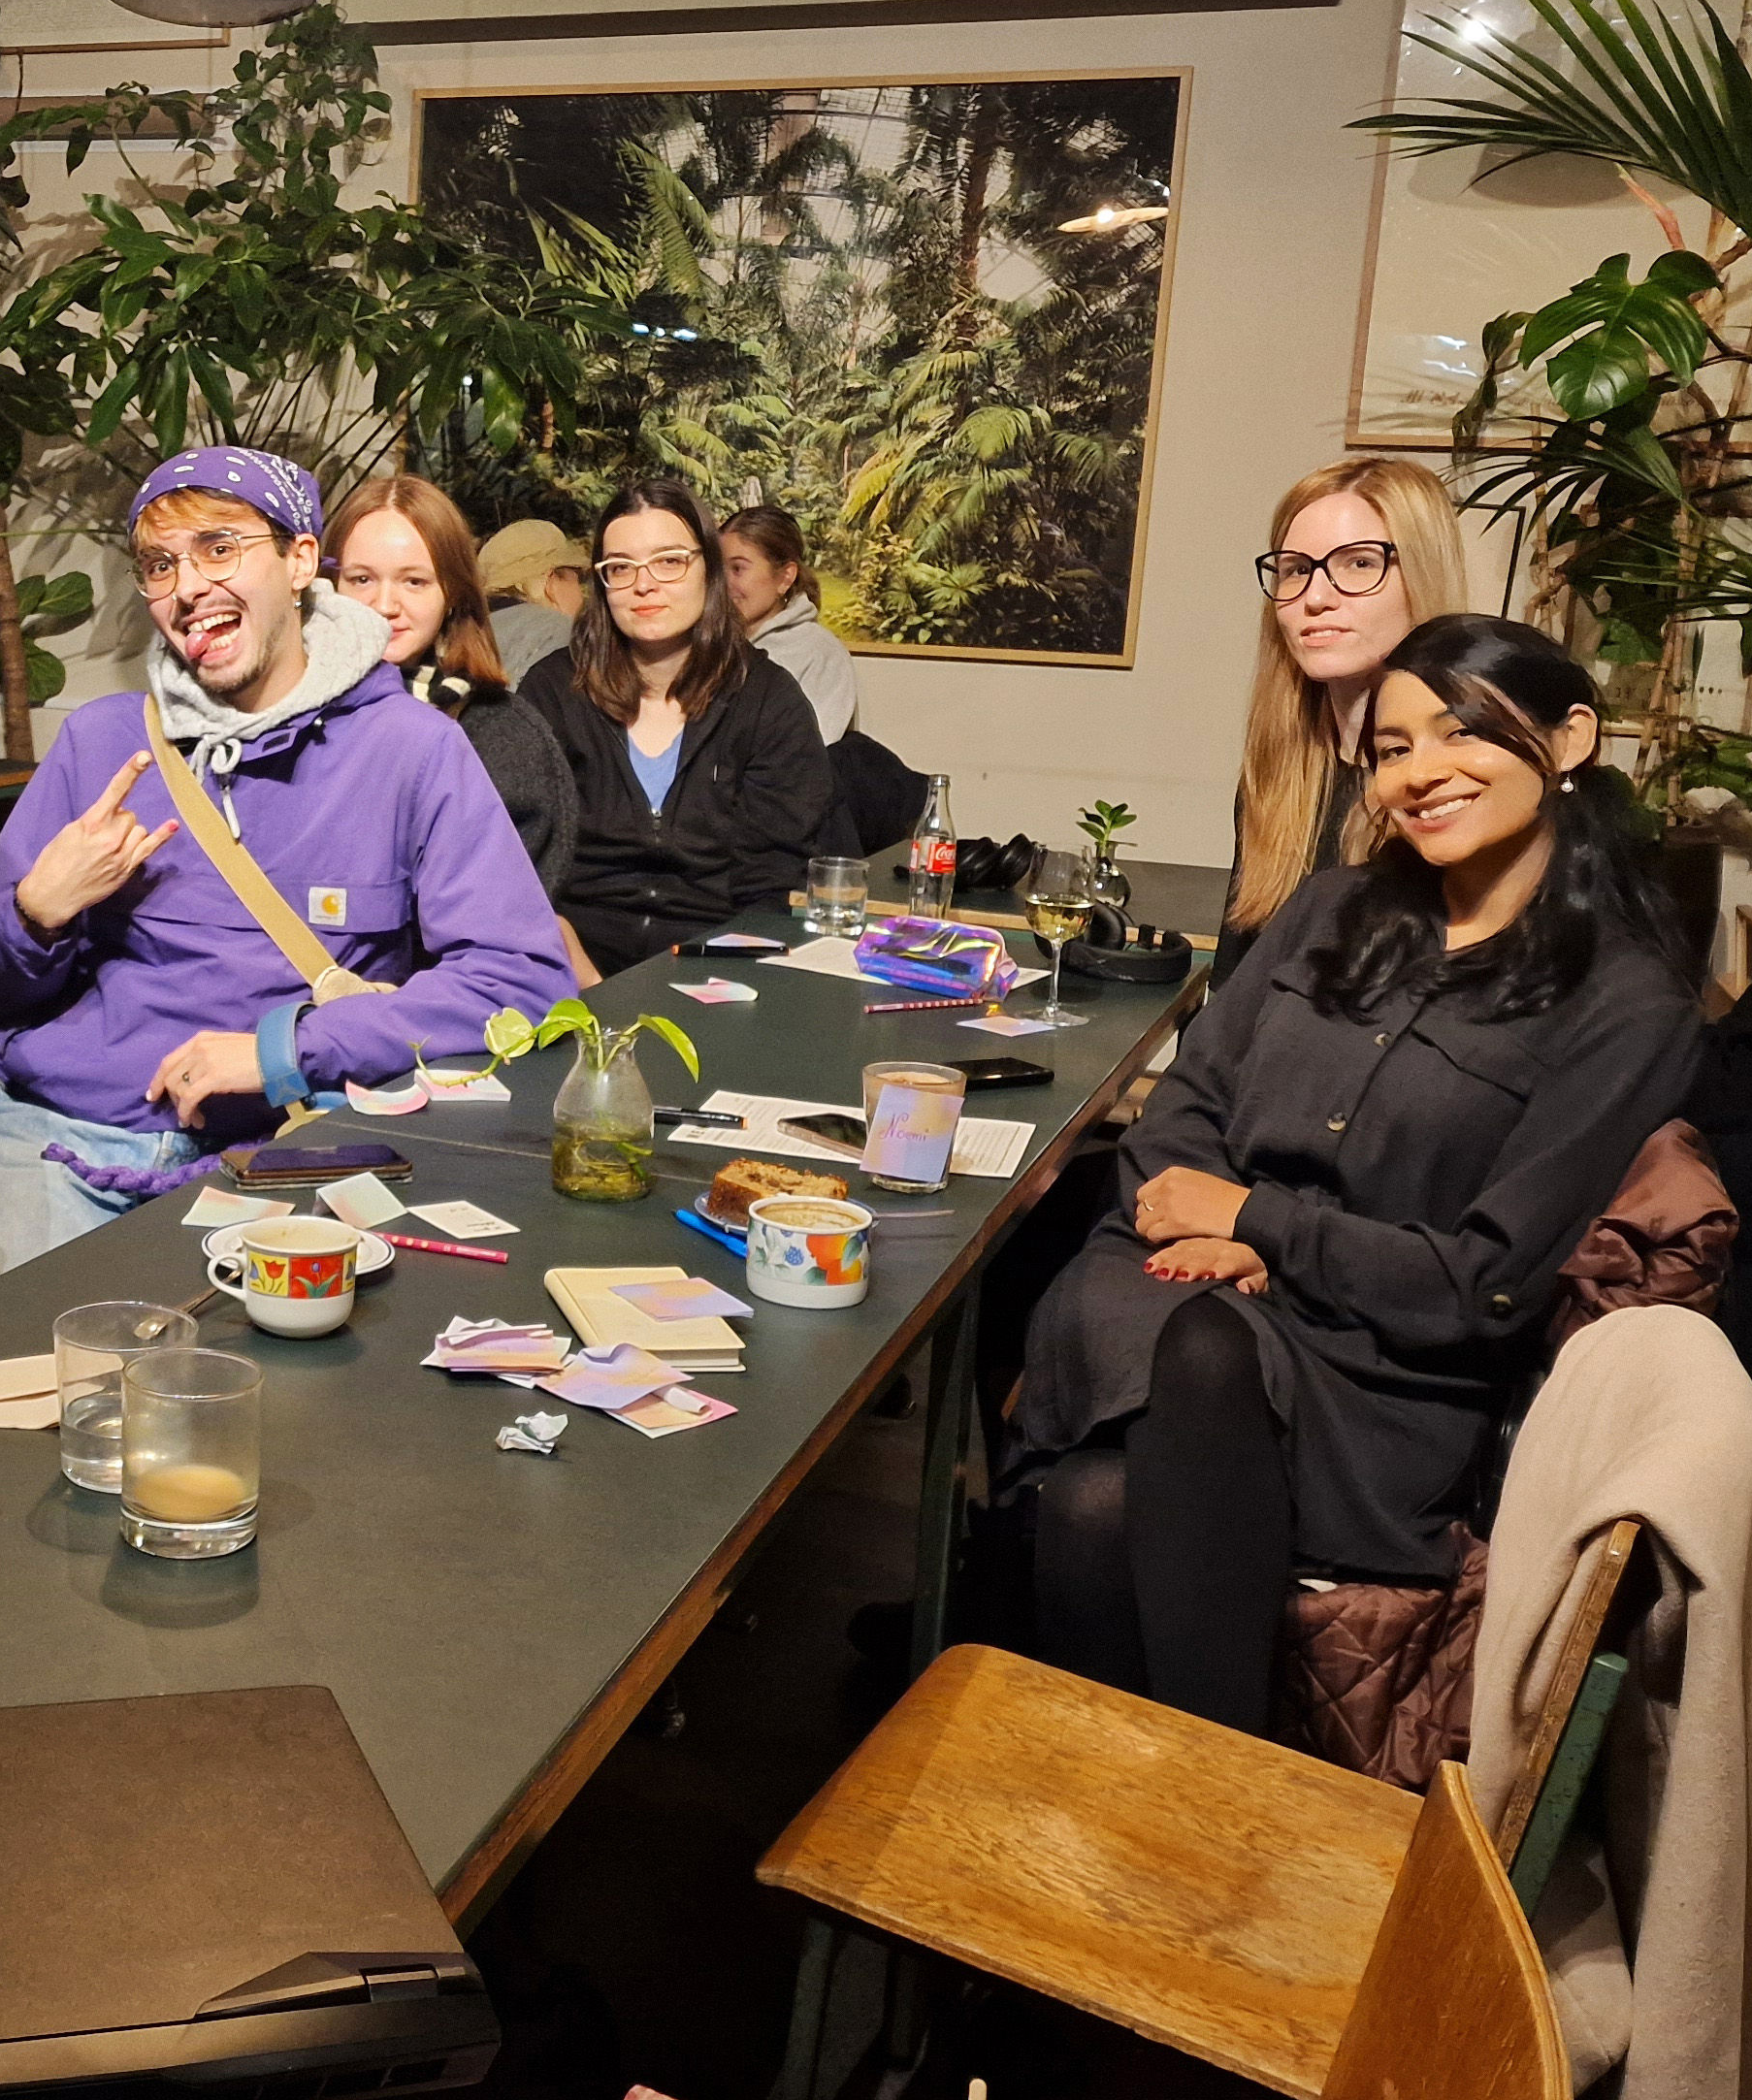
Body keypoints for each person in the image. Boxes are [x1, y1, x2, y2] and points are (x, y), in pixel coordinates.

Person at [1005, 615, 1703, 1737]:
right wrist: (1216, 1230)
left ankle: (1189, 1788)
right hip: (1183, 1293)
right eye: (1389, 750)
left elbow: (1486, 1283)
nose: (1420, 773)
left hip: (1377, 1380)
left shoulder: (1624, 1008)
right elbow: (1185, 1113)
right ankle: (1147, 1827)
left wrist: (1263, 1229)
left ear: (1568, 739)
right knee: (1121, 1414)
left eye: (1459, 731)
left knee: (1117, 1466)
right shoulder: (1330, 913)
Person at [0, 446, 572, 1274]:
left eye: (220, 547)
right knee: (37, 1374)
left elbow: (519, 983)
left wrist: (287, 1050)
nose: (188, 585)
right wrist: (37, 913)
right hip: (58, 1145)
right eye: (160, 564)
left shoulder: (411, 751)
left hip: (289, 1154)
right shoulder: (102, 743)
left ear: (301, 560)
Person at [518, 474, 839, 972]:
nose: (644, 585)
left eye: (669, 561)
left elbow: (772, 888)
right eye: (620, 567)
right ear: (602, 585)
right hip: (566, 963)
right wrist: (585, 984)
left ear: (708, 570)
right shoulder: (555, 692)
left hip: (717, 968)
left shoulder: (767, 701)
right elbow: (519, 868)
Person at [1219, 456, 1469, 983]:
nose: (1314, 598)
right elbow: (1234, 988)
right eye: (1295, 569)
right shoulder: (1279, 777)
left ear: (1423, 574)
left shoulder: (1462, 787)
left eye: (1358, 563)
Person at [327, 468, 579, 894]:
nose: (385, 605)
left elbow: (509, 907)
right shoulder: (283, 718)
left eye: (414, 581)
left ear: (453, 594)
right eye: (362, 579)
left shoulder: (499, 734)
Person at [717, 502, 857, 746]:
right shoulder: (707, 646)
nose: (724, 583)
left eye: (738, 569)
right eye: (719, 569)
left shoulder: (820, 654)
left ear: (785, 577)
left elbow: (808, 753)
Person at [475, 516, 586, 685]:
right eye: (578, 579)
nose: (582, 595)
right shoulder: (558, 633)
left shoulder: (462, 631)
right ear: (551, 582)